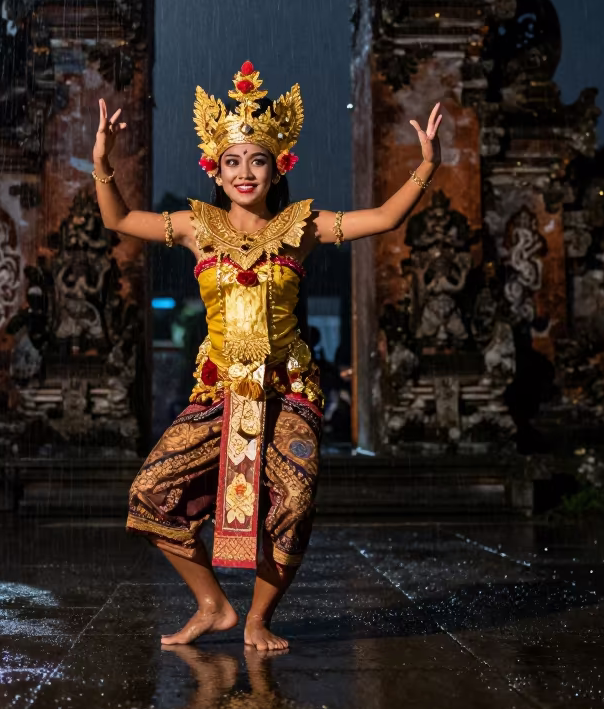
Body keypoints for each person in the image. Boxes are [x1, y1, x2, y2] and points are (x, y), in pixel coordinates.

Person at [92, 61, 442, 649]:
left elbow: (382, 218)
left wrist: (427, 166)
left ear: (278, 165)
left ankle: (257, 617)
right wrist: (101, 163)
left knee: (294, 500)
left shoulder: (300, 226)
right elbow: (119, 218)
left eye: (257, 159)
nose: (245, 172)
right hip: (220, 388)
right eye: (232, 162)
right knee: (150, 492)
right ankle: (213, 605)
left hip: (289, 390)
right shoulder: (196, 226)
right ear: (216, 170)